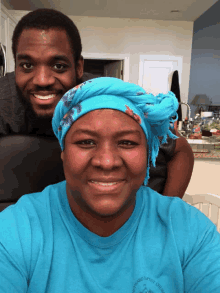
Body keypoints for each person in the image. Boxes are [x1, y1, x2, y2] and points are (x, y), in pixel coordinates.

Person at [0, 77, 219, 292]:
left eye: (127, 142)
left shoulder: (190, 231)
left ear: (147, 153)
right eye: (86, 142)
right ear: (63, 153)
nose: (106, 162)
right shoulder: (16, 230)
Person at [0, 8, 193, 202]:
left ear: (79, 67)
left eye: (59, 66)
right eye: (27, 65)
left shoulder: (108, 98)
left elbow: (181, 150)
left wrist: (163, 213)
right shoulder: (3, 98)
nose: (42, 80)